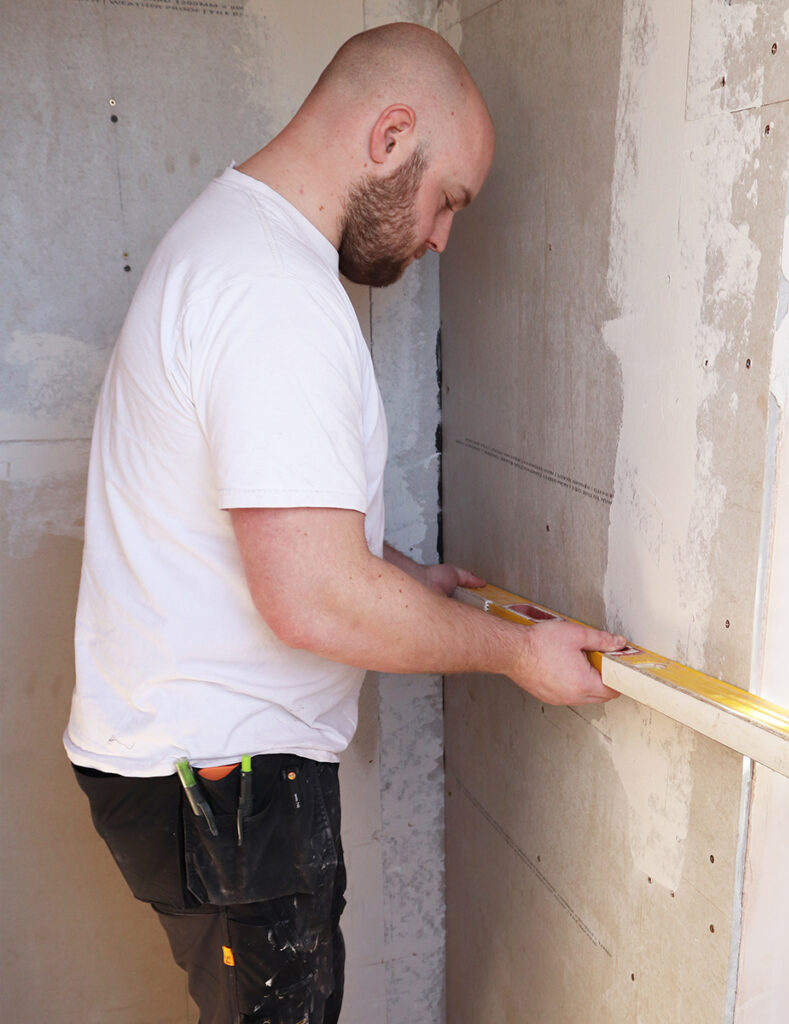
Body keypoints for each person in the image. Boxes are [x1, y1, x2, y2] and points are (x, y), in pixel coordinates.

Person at [64, 21, 623, 1024]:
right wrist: (516, 653)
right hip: (224, 784)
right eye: (446, 197)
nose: (442, 235)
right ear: (389, 135)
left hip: (196, 772)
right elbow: (312, 597)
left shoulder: (233, 246)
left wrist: (398, 575)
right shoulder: (274, 293)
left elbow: (268, 526)